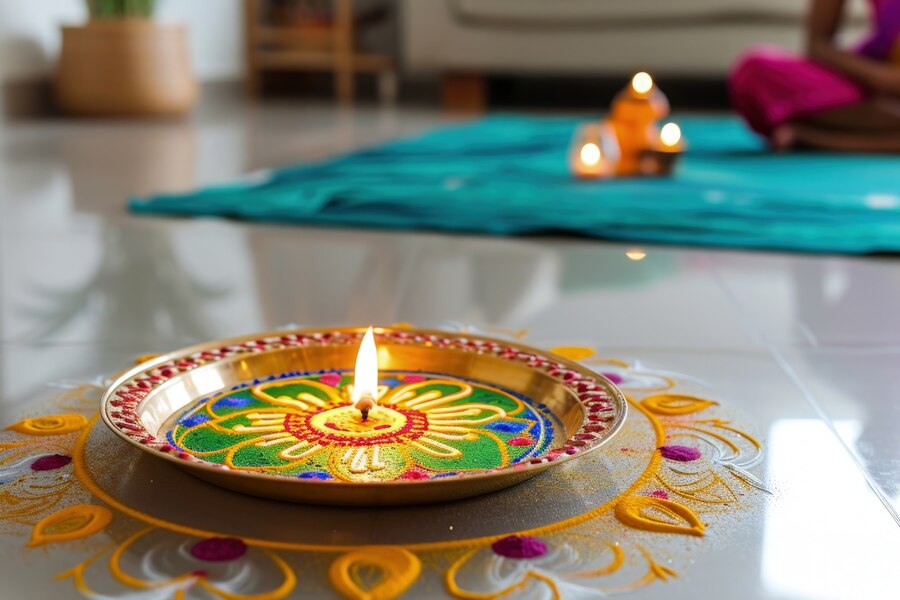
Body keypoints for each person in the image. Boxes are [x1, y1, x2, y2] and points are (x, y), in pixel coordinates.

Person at [731, 0, 900, 151]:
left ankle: (817, 139)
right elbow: (818, 45)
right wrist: (882, 78)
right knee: (753, 72)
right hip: (880, 89)